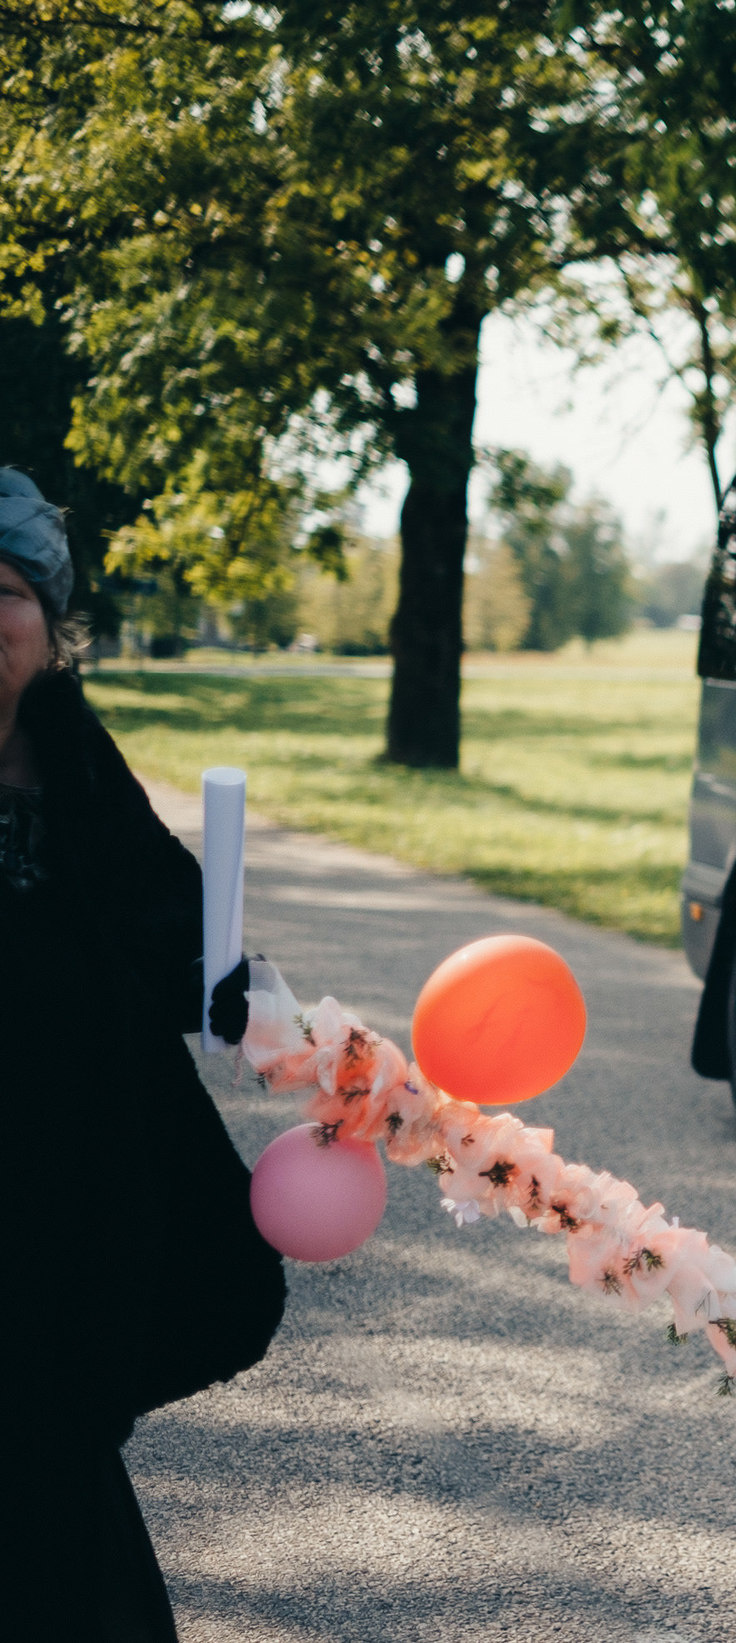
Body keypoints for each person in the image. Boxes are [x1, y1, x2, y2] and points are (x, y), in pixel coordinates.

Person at [0, 468, 287, 1638]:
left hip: (66, 1202)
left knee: (56, 1493)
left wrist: (280, 1023)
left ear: (51, 630)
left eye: (6, 590)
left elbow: (179, 932)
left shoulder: (73, 764)